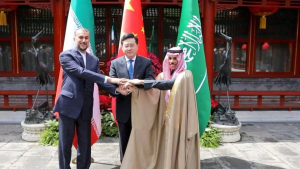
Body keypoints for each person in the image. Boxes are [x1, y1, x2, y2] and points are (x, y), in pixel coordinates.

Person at [53, 28, 127, 169]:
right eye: (80, 37)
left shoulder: (93, 60)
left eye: (86, 38)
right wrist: (109, 78)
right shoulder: (66, 56)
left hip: (86, 106)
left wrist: (116, 89)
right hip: (68, 105)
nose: (83, 40)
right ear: (74, 39)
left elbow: (99, 81)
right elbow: (80, 72)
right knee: (65, 143)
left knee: (85, 143)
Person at [121, 47, 200, 169]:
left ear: (181, 59)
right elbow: (152, 94)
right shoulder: (162, 76)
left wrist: (140, 82)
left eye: (175, 59)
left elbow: (168, 84)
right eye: (170, 58)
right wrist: (135, 90)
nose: (172, 61)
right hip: (164, 119)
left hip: (179, 120)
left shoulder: (186, 76)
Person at [109, 33, 155, 162]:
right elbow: (110, 83)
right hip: (123, 107)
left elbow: (150, 80)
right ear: (122, 47)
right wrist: (118, 90)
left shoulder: (145, 62)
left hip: (141, 107)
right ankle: (125, 164)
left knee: (141, 139)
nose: (129, 48)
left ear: (137, 46)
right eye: (126, 46)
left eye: (132, 45)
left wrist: (135, 84)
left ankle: (140, 164)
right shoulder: (115, 63)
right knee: (124, 139)